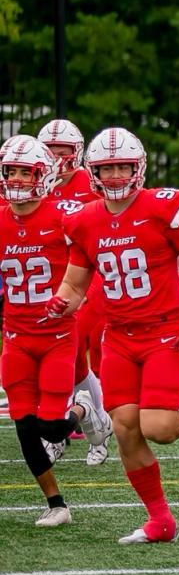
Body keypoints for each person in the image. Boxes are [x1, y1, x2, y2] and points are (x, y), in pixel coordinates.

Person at [51, 128, 179, 544]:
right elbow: (75, 285)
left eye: (122, 167)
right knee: (126, 427)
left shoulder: (163, 207)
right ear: (92, 171)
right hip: (118, 338)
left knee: (160, 428)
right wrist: (57, 304)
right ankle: (160, 520)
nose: (114, 175)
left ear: (138, 167)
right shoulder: (81, 219)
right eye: (106, 168)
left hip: (166, 331)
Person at [0, 135, 110, 527]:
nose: (15, 179)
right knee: (25, 427)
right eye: (10, 171)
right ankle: (57, 503)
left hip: (57, 336)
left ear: (43, 176)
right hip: (15, 337)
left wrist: (77, 299)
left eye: (24, 172)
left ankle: (84, 409)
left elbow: (96, 259)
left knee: (52, 426)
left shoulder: (65, 216)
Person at [38, 118, 111, 466]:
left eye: (62, 151)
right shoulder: (35, 183)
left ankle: (59, 429)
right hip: (49, 277)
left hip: (89, 275)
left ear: (77, 152)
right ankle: (97, 422)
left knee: (71, 343)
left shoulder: (91, 182)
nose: (56, 157)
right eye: (50, 151)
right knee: (71, 359)